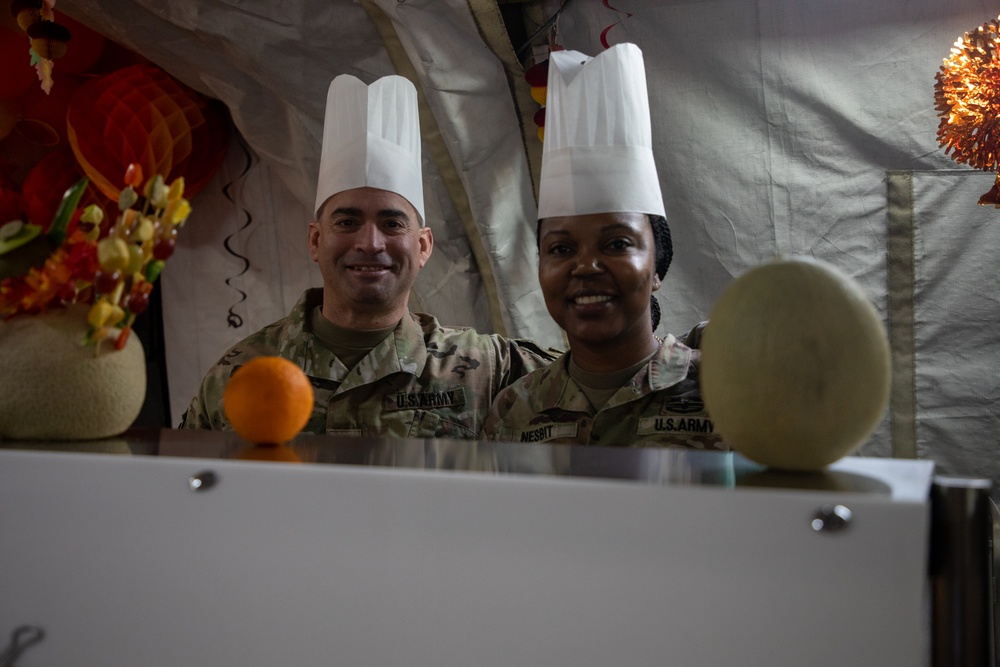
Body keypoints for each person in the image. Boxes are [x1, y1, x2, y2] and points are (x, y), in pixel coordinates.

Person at [181, 74, 555, 439]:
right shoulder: (241, 374)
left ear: (423, 246)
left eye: (392, 223)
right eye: (347, 221)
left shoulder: (489, 369)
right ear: (315, 240)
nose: (371, 243)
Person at [482, 43, 724, 450]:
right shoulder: (513, 409)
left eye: (616, 243)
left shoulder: (727, 392)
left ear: (658, 267)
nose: (587, 266)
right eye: (561, 249)